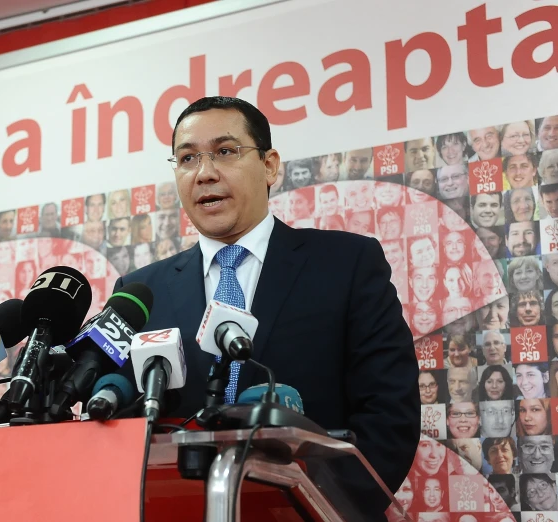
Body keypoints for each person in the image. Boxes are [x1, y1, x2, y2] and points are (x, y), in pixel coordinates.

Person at [113, 97, 419, 518]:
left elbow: (390, 414)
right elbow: (126, 432)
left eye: (225, 151)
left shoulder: (347, 264)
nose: (204, 173)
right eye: (187, 158)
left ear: (271, 165)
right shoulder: (140, 291)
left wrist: (319, 507)